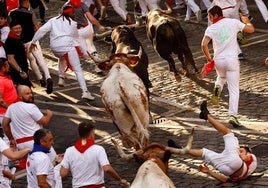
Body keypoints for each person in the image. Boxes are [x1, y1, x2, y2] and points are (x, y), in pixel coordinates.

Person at [201, 5, 254, 127]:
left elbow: (204, 45)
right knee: (234, 90)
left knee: (221, 77)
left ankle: (217, 88)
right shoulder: (233, 22)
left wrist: (209, 58)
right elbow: (251, 30)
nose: (209, 19)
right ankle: (233, 115)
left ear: (215, 15)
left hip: (218, 60)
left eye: (210, 16)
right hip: (231, 60)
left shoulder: (211, 28)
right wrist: (246, 21)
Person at [30, 4, 95, 100]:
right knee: (78, 69)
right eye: (73, 13)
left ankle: (61, 77)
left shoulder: (53, 20)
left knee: (62, 57)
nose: (74, 15)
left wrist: (33, 41)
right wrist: (84, 51)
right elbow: (76, 39)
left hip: (55, 49)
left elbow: (41, 30)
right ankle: (85, 91)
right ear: (69, 13)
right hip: (66, 48)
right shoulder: (73, 24)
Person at [189, 101, 257, 182]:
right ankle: (182, 149)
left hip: (236, 162)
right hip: (225, 170)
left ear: (247, 151)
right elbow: (224, 179)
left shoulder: (252, 157)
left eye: (241, 149)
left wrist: (239, 152)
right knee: (204, 152)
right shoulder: (248, 169)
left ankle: (206, 115)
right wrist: (209, 171)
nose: (239, 148)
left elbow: (244, 157)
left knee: (228, 132)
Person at [60, 121, 130, 187]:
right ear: (91, 135)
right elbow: (107, 169)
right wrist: (120, 179)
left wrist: (61, 162)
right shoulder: (98, 149)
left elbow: (63, 173)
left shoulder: (69, 151)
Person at [2, 85, 57, 161]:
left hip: (21, 145)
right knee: (55, 162)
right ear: (20, 96)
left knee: (34, 166)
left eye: (31, 93)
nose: (31, 95)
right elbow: (44, 122)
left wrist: (11, 138)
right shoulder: (30, 107)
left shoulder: (11, 107)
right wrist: (49, 114)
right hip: (36, 142)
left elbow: (5, 125)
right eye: (27, 94)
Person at [9, 0, 53, 94]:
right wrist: (34, 40)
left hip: (22, 42)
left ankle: (40, 79)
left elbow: (11, 26)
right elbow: (37, 28)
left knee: (31, 60)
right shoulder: (30, 13)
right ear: (27, 3)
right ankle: (48, 78)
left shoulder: (12, 13)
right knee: (40, 60)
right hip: (32, 41)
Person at [68, 0, 106, 74]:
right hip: (87, 28)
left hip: (77, 32)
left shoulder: (66, 7)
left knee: (84, 51)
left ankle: (93, 59)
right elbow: (90, 18)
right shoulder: (82, 4)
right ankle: (97, 65)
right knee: (91, 46)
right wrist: (99, 26)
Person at [3, 20, 32, 88]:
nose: (18, 30)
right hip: (17, 73)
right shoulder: (11, 41)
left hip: (22, 70)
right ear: (11, 29)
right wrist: (20, 71)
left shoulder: (17, 38)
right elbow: (10, 58)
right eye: (16, 28)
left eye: (19, 28)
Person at [0, 58, 19, 124]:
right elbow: (1, 101)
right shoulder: (0, 81)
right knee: (9, 133)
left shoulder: (6, 76)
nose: (9, 67)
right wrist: (11, 109)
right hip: (5, 114)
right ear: (3, 68)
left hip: (9, 112)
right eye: (7, 65)